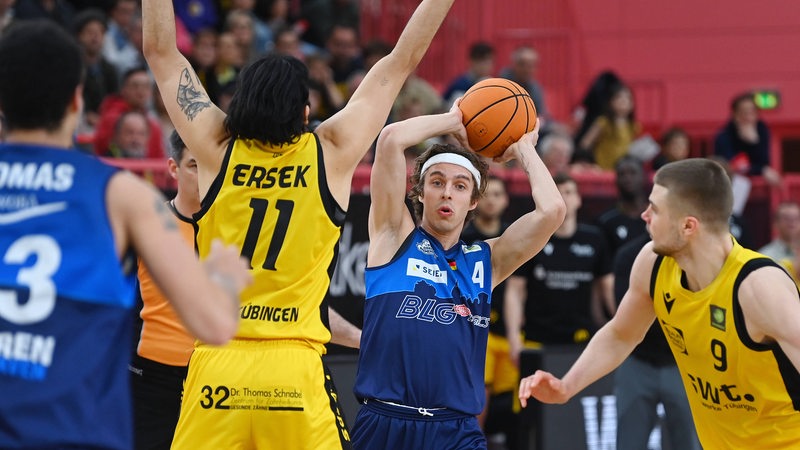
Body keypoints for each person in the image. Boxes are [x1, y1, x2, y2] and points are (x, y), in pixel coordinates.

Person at [142, 0, 457, 446]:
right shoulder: (331, 151)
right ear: (305, 114)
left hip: (217, 368)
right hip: (292, 368)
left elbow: (161, 53)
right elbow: (399, 62)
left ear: (240, 104)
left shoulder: (214, 148)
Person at [0, 20, 251, 449]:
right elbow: (213, 324)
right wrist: (226, 276)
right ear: (77, 100)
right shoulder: (122, 194)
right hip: (75, 430)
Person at [518, 158, 800, 449]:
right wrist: (566, 387)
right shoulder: (653, 263)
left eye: (655, 208)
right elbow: (621, 334)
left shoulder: (759, 288)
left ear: (688, 226)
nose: (644, 215)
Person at [130, 132, 363, 450]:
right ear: (173, 168)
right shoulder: (147, 225)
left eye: (210, 164)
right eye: (194, 166)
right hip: (159, 380)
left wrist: (360, 339)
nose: (205, 175)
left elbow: (289, 304)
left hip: (225, 378)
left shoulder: (238, 223)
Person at [352, 105, 565, 449]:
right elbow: (391, 139)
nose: (447, 192)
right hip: (385, 422)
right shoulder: (394, 236)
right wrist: (455, 121)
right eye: (437, 182)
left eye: (460, 185)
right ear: (421, 193)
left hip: (456, 431)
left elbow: (552, 211)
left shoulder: (486, 261)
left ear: (473, 201)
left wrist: (525, 148)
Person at [611, 233, 701, 450]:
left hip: (683, 364)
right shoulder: (630, 255)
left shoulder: (697, 256)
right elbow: (626, 317)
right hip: (637, 360)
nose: (648, 216)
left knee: (690, 442)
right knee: (629, 442)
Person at [506, 172, 614, 351]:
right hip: (537, 338)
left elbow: (607, 287)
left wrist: (619, 326)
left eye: (569, 192)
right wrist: (513, 334)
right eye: (558, 192)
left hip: (582, 338)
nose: (564, 197)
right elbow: (515, 289)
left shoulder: (594, 239)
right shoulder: (533, 239)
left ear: (579, 199)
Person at [460, 174, 518, 446]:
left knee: (513, 399)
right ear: (475, 201)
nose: (491, 200)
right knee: (478, 397)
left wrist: (516, 332)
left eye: (497, 194)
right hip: (475, 330)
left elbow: (518, 289)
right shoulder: (464, 237)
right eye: (487, 194)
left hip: (507, 332)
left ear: (506, 200)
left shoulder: (512, 237)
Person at [714, 92, 782, 187]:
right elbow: (730, 165)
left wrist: (753, 142)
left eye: (752, 112)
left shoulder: (762, 130)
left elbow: (765, 162)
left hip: (759, 190)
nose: (749, 117)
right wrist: (760, 170)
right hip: (731, 185)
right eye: (744, 112)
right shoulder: (724, 136)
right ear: (735, 114)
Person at [578, 82, 641, 170]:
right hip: (603, 169)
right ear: (611, 101)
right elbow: (585, 144)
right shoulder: (603, 122)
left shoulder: (634, 126)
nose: (624, 101)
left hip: (623, 171)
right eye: (619, 97)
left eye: (628, 98)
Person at [595, 155, 649, 257]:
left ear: (643, 177)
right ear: (616, 179)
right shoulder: (605, 221)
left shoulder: (656, 217)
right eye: (622, 174)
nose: (627, 178)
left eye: (633, 173)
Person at [442, 41, 495, 108]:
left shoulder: (495, 85)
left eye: (488, 61)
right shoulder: (459, 85)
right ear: (471, 61)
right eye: (481, 61)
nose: (484, 66)